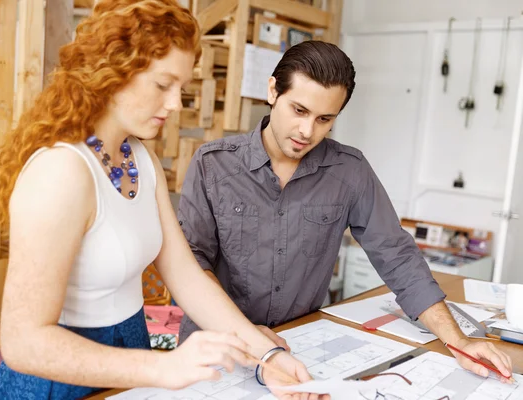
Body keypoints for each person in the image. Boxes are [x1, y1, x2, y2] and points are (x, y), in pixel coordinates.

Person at [0, 1, 325, 399]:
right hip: (55, 383)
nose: (176, 104)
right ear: (113, 72)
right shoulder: (61, 172)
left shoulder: (138, 158)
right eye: (163, 85)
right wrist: (164, 366)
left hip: (129, 360)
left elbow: (185, 275)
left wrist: (266, 355)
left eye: (181, 87)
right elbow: (24, 343)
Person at [177, 40, 514, 382]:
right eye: (299, 110)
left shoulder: (349, 171)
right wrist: (246, 335)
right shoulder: (213, 165)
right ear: (272, 91)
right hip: (215, 349)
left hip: (297, 346)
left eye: (325, 119)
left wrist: (457, 341)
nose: (307, 132)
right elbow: (190, 265)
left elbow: (396, 255)